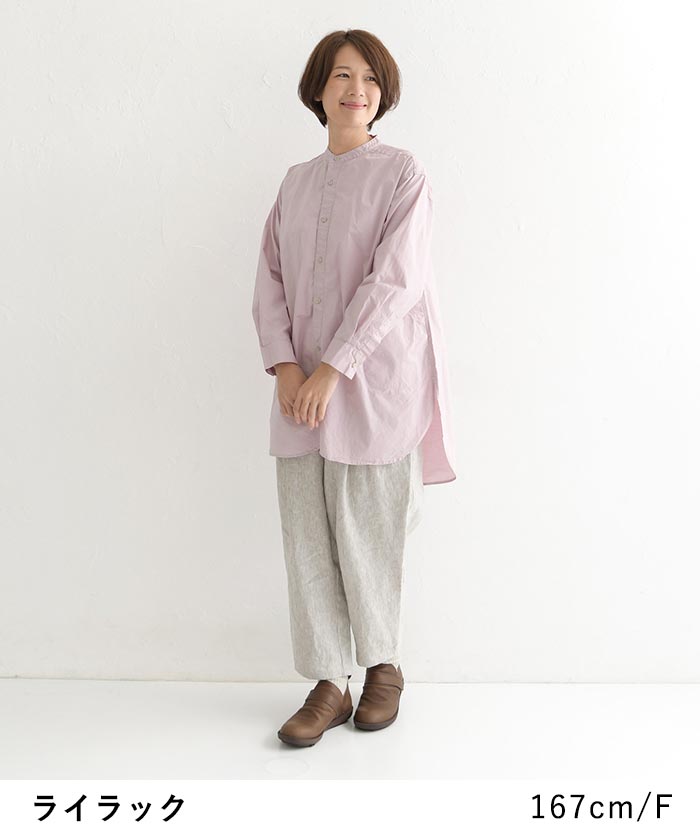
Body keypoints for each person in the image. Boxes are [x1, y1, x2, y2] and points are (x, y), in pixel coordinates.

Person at [252, 29, 457, 748]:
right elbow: (269, 281)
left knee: (369, 533)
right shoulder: (295, 183)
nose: (356, 89)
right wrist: (286, 367)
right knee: (307, 537)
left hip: (372, 384)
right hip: (298, 392)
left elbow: (396, 281)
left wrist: (333, 369)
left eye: (369, 78)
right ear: (319, 89)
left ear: (383, 92)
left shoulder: (403, 174)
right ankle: (327, 683)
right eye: (341, 76)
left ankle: (382, 666)